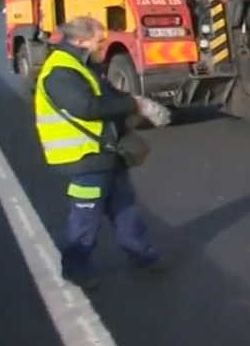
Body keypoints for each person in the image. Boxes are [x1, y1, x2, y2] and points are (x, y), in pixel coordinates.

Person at [34, 16, 171, 289]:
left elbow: (108, 96)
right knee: (86, 218)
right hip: (82, 157)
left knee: (125, 208)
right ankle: (75, 268)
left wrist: (135, 104)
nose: (102, 45)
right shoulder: (60, 72)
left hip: (105, 152)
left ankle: (143, 255)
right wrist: (133, 106)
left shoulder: (86, 66)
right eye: (99, 40)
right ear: (80, 40)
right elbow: (88, 107)